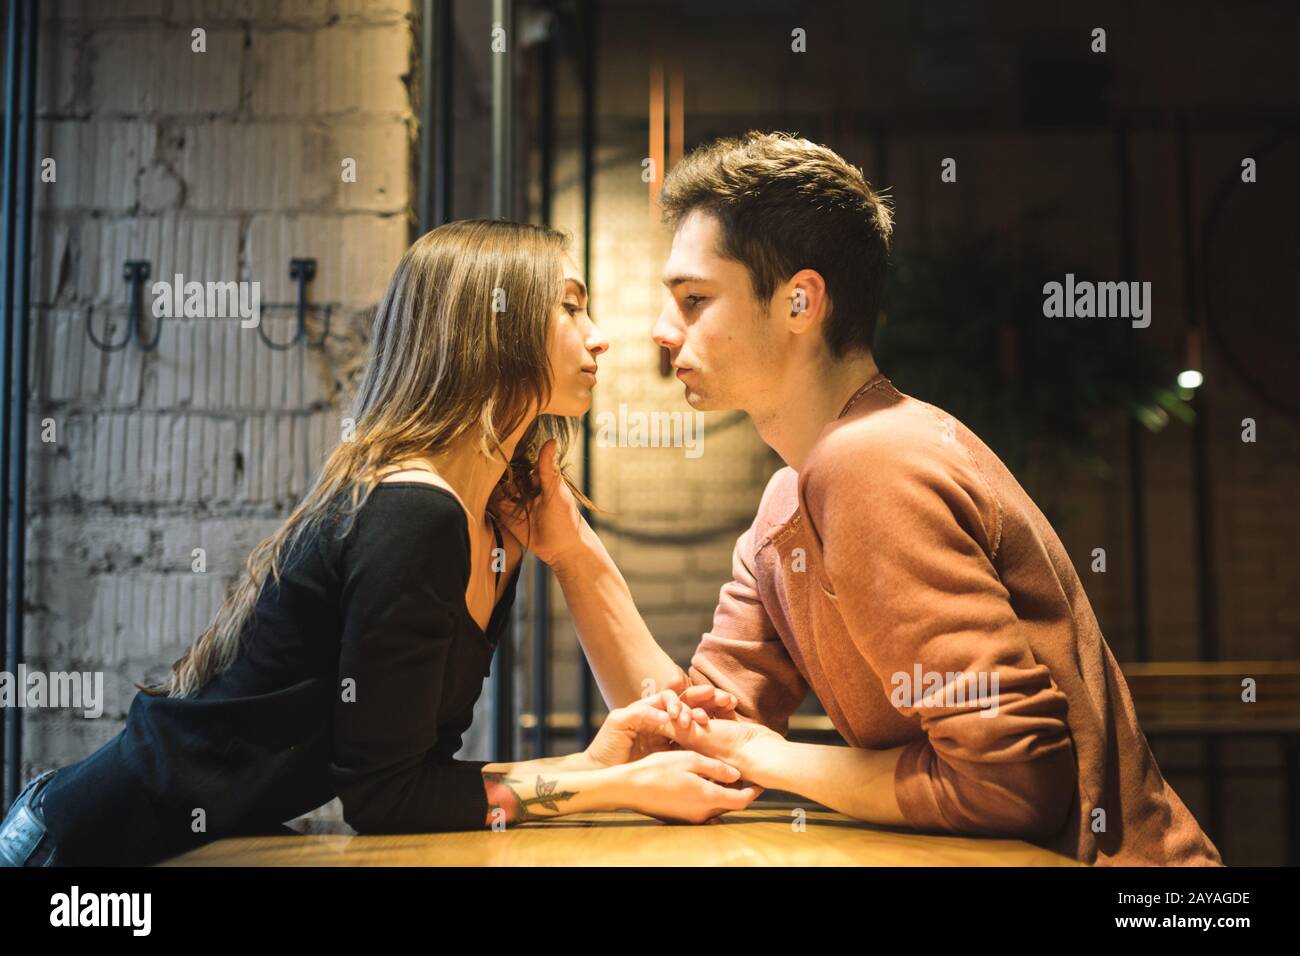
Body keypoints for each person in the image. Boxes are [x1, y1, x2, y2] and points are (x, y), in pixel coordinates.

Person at [494, 131, 1225, 867]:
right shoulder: (792, 499)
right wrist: (574, 553)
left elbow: (1010, 785)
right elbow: (699, 723)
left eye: (694, 300)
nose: (660, 330)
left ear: (800, 303)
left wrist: (765, 755)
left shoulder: (872, 461)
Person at [0, 218, 756, 868]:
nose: (599, 335)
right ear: (489, 327)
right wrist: (611, 784)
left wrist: (591, 765)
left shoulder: (492, 518)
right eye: (569, 307)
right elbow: (386, 799)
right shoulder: (414, 514)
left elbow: (413, 776)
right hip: (86, 841)